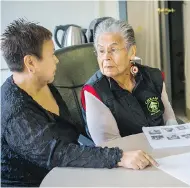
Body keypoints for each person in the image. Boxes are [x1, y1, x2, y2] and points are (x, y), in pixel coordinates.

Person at [1, 19, 157, 187]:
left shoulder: (44, 83)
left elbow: (69, 135)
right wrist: (119, 157)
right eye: (52, 54)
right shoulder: (15, 112)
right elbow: (57, 154)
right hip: (37, 183)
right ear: (31, 63)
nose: (57, 60)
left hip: (67, 171)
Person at [81, 18, 178, 145]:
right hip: (126, 158)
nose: (106, 57)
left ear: (131, 52)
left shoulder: (154, 77)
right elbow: (109, 144)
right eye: (101, 51)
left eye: (113, 50)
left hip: (163, 148)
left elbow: (169, 119)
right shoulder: (94, 91)